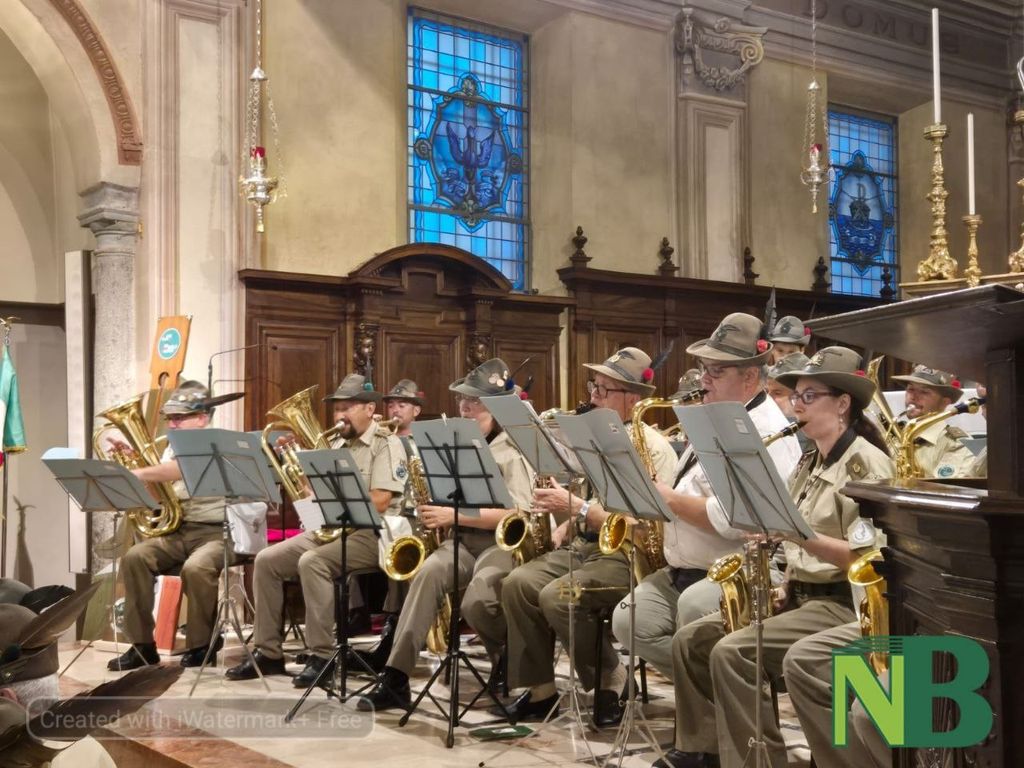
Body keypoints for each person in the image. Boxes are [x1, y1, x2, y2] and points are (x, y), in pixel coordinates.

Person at [658, 346, 894, 768]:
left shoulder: (865, 465)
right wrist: (784, 580)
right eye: (795, 395)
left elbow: (866, 561)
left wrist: (795, 534)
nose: (797, 406)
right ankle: (715, 753)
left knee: (735, 652)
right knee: (694, 640)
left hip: (844, 603)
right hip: (802, 595)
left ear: (842, 404)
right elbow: (795, 542)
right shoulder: (809, 459)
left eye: (809, 396)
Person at [610, 314, 801, 685]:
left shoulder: (768, 432)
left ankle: (725, 701)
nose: (703, 379)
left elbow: (740, 521)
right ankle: (711, 694)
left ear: (749, 376)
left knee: (693, 608)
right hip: (687, 568)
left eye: (716, 371)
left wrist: (668, 500)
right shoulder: (716, 416)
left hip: (744, 570)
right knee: (631, 619)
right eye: (703, 369)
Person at [502, 347, 677, 725]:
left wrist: (579, 509)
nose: (593, 397)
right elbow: (594, 503)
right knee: (517, 583)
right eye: (593, 387)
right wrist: (568, 521)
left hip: (629, 556)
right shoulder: (593, 441)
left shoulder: (655, 449)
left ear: (633, 399)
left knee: (559, 596)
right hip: (587, 545)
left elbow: (651, 526)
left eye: (603, 390)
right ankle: (540, 691)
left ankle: (611, 677)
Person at [356, 359, 534, 710]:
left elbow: (518, 515)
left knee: (477, 601)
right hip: (460, 542)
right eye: (462, 400)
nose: (465, 408)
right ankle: (396, 677)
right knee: (426, 574)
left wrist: (453, 514)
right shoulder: (453, 444)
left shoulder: (513, 449)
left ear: (497, 408)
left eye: (475, 402)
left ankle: (508, 655)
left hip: (500, 545)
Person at [225, 374, 407, 686]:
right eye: (337, 409)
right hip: (332, 528)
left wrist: (332, 498)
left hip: (373, 533)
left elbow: (380, 501)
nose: (339, 416)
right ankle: (268, 653)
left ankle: (322, 657)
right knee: (267, 560)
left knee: (314, 562)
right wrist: (296, 468)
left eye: (348, 408)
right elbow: (312, 501)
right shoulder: (333, 444)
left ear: (369, 408)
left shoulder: (386, 444)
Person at [106, 380, 242, 671]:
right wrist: (135, 466)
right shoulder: (170, 450)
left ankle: (201, 644)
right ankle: (142, 646)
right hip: (180, 530)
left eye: (179, 418)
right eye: (169, 419)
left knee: (197, 567)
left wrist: (141, 471)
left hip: (219, 531)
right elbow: (158, 496)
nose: (172, 425)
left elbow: (180, 470)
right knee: (135, 557)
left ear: (202, 418)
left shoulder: (217, 444)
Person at [891, 364, 975, 478]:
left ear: (944, 402)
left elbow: (947, 487)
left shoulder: (957, 443)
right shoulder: (894, 436)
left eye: (924, 392)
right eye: (910, 389)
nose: (913, 397)